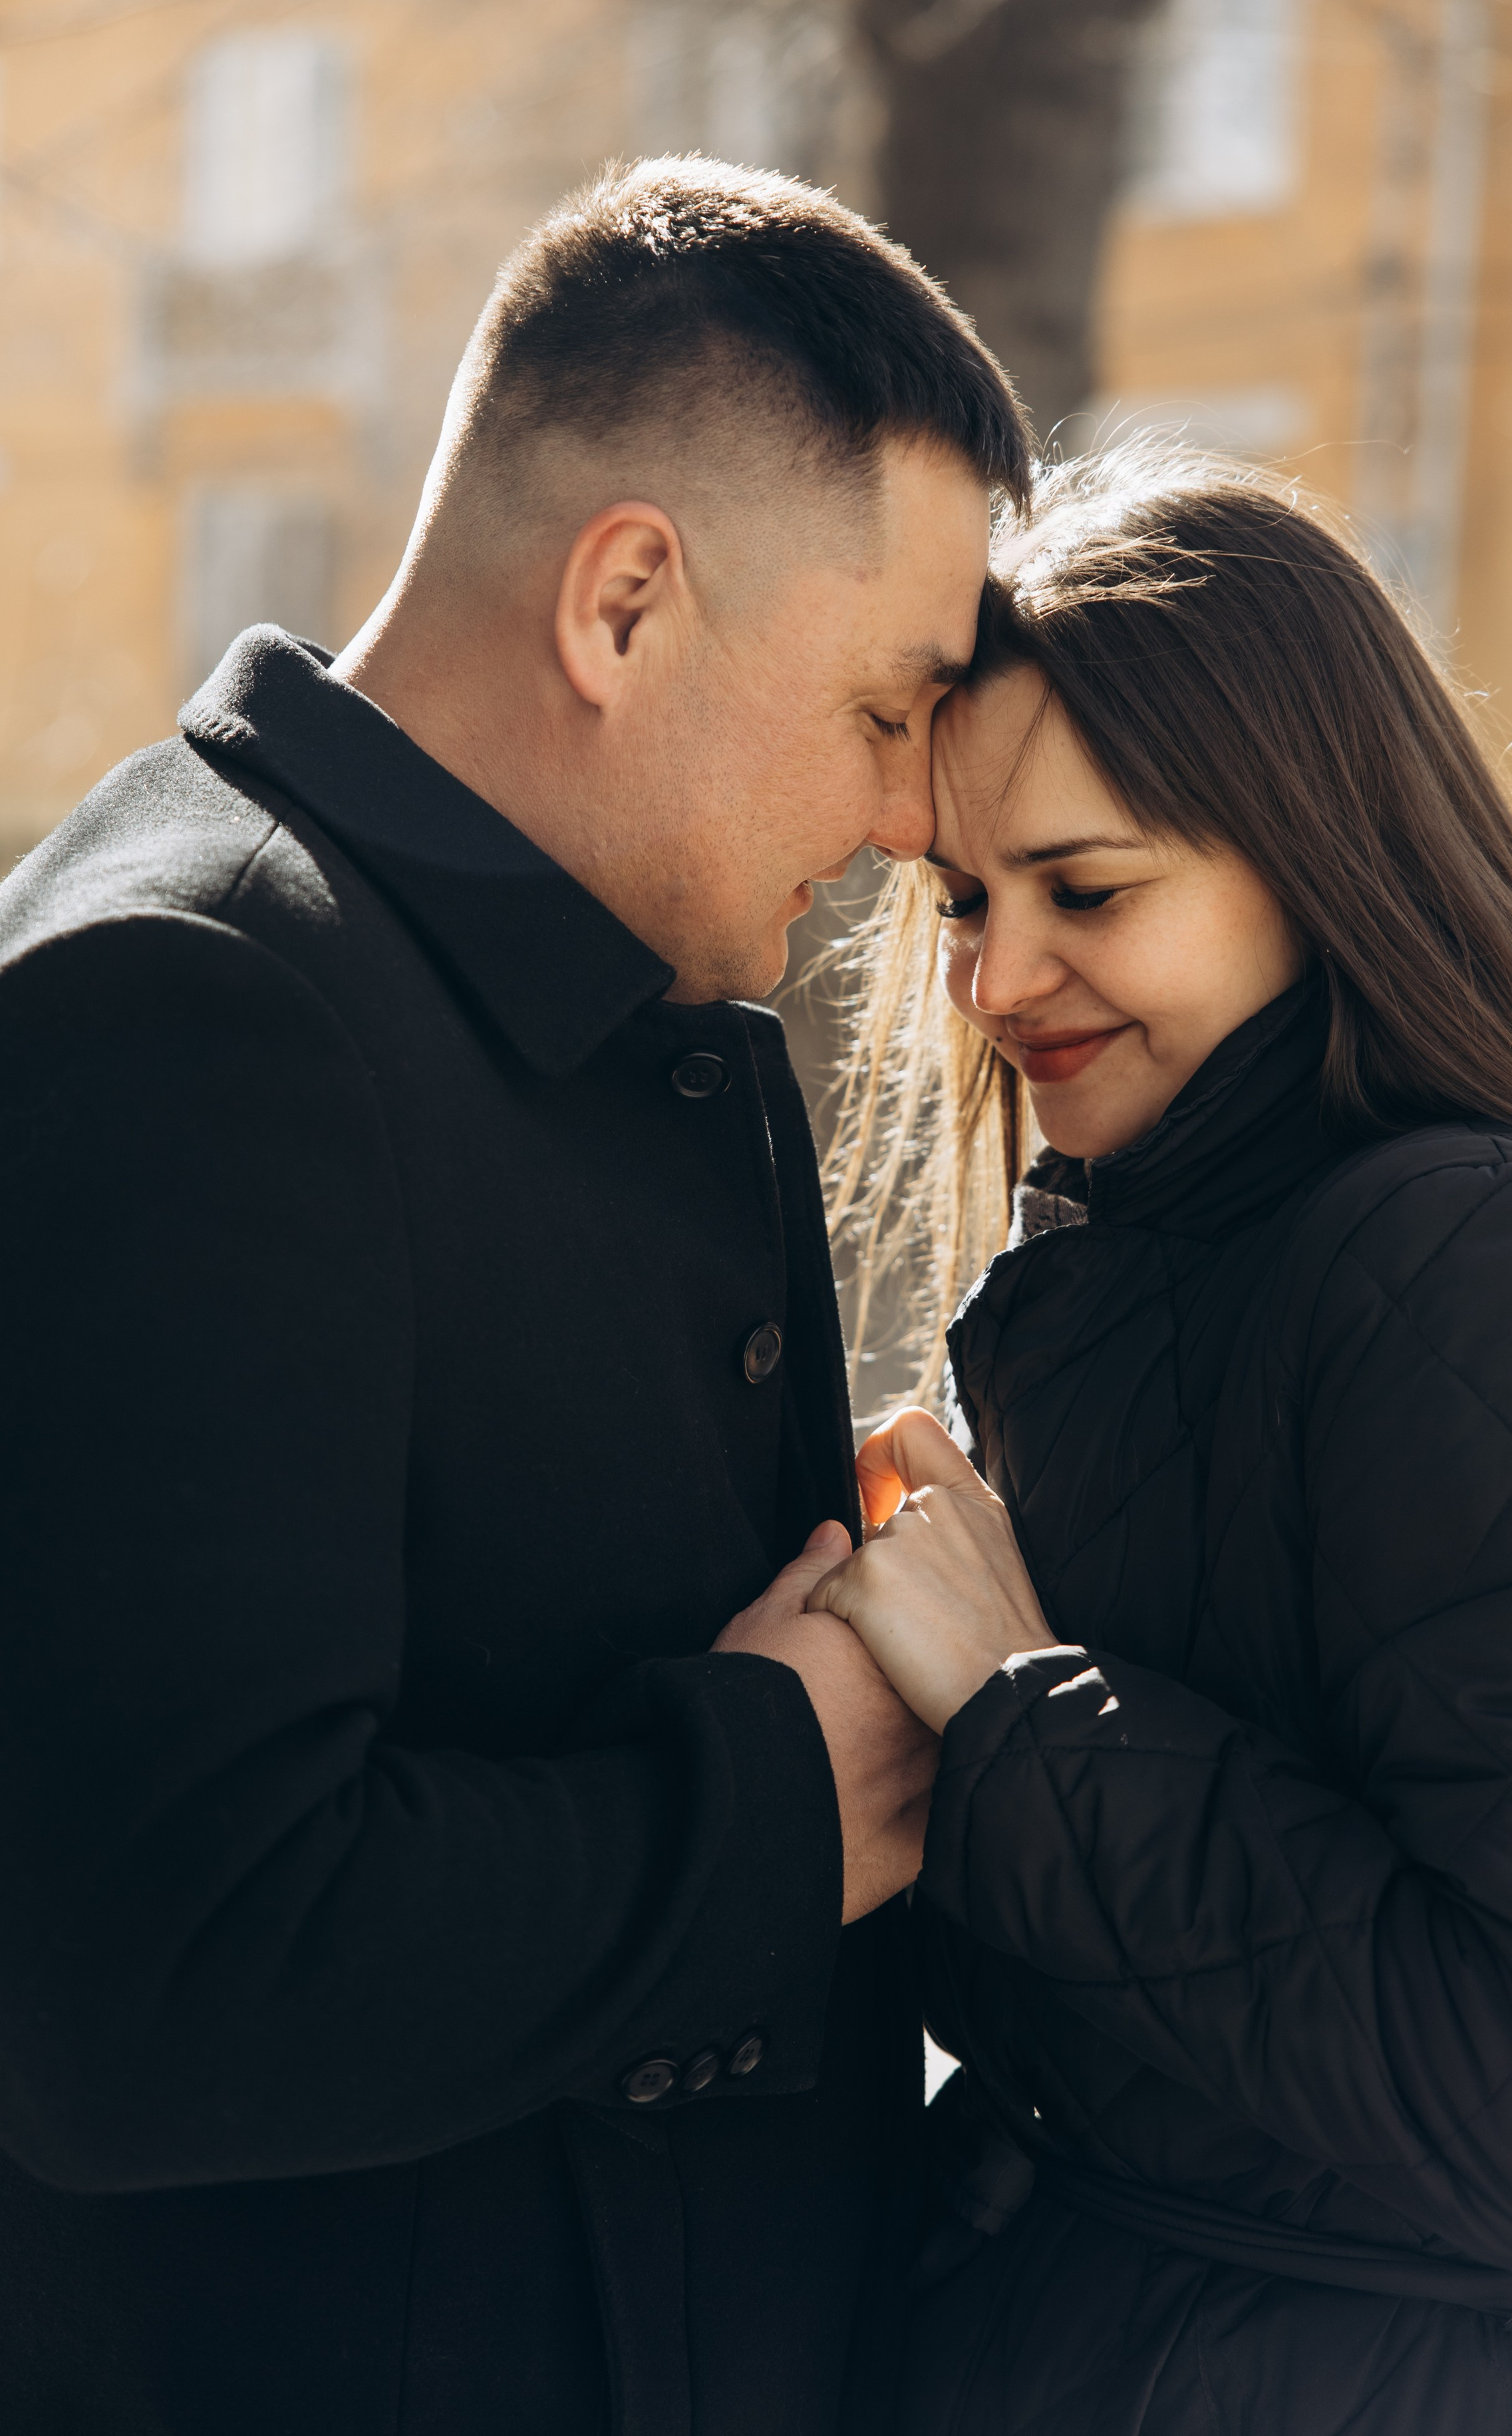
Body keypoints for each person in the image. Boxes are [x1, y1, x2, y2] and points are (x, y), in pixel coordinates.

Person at [0, 157, 1030, 2435]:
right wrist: (774, 1796)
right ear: (629, 601)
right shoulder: (187, 1008)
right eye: (883, 707)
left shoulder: (599, 1006)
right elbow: (149, 1979)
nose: (900, 817)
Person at [806, 449, 1512, 2433]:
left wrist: (1022, 1712)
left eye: (1089, 890)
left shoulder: (1481, 1262)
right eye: (967, 898)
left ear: (1321, 853)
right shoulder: (1175, 1268)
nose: (994, 977)